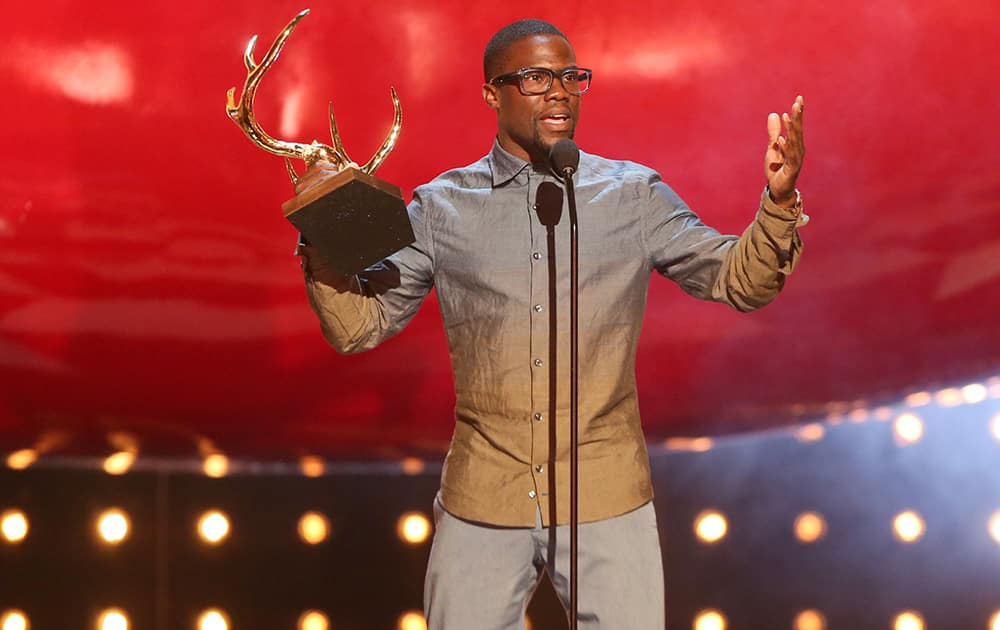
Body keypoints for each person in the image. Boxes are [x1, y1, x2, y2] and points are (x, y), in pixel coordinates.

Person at [295, 18, 805, 630]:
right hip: (484, 497)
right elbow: (360, 327)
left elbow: (739, 281)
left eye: (571, 77)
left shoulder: (633, 195)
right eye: (536, 77)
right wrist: (322, 238)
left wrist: (777, 202)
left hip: (606, 494)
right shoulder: (441, 207)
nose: (559, 92)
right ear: (493, 92)